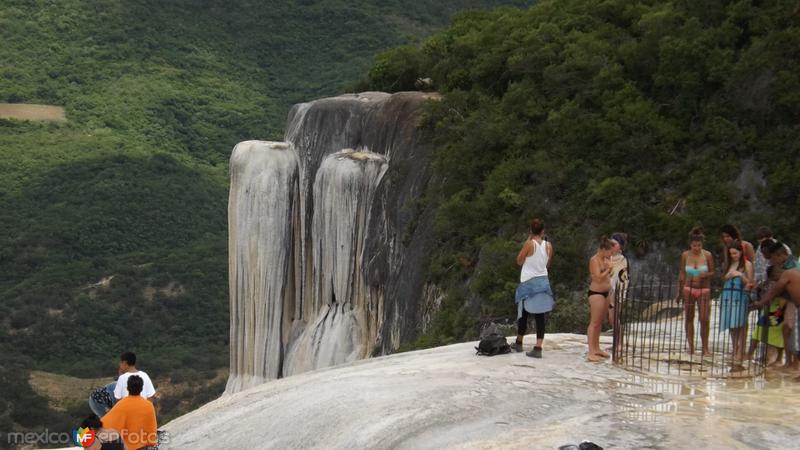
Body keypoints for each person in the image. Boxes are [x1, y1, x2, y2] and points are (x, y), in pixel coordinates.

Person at [753, 241, 799, 373]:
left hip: (792, 302)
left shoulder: (792, 267)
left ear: (780, 256)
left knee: (791, 330)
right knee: (787, 329)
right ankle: (790, 363)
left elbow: (776, 289)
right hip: (791, 301)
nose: (771, 261)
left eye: (772, 258)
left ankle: (795, 366)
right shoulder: (786, 266)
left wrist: (760, 302)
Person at [512, 218, 554, 358]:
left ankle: (519, 342)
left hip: (528, 282)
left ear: (530, 231)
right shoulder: (549, 246)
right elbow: (547, 265)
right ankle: (538, 346)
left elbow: (519, 260)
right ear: (543, 231)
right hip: (542, 282)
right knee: (539, 315)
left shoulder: (529, 244)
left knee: (523, 313)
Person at [677, 228, 715, 356]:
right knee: (689, 317)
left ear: (702, 245)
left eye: (699, 245)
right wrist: (679, 291)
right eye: (694, 245)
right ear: (690, 244)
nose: (696, 248)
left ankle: (705, 348)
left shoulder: (708, 255)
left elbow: (713, 272)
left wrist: (707, 274)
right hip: (688, 288)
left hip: (703, 288)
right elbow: (682, 273)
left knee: (704, 318)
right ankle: (691, 346)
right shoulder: (685, 255)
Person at [719, 240, 754, 369]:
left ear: (741, 252)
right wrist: (728, 275)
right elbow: (722, 279)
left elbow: (750, 283)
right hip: (728, 295)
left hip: (740, 295)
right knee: (731, 324)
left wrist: (740, 275)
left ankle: (741, 351)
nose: (733, 256)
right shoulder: (729, 264)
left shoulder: (747, 264)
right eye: (731, 254)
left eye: (735, 253)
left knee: (740, 324)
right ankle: (734, 348)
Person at [90, 352, 157, 418]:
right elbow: (151, 396)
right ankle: (85, 428)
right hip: (98, 400)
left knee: (98, 423)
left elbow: (119, 400)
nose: (119, 365)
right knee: (102, 424)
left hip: (100, 399)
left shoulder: (123, 378)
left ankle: (84, 428)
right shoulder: (144, 375)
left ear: (124, 363)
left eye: (120, 363)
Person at [102, 375, 158, 450]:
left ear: (127, 388)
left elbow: (105, 423)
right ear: (141, 389)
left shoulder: (121, 405)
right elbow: (152, 427)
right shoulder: (148, 405)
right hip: (144, 446)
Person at [587, 237, 615, 362]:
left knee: (600, 322)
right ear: (604, 250)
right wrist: (608, 268)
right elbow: (598, 278)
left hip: (606, 292)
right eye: (610, 251)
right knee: (594, 322)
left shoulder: (606, 259)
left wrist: (610, 268)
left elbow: (609, 275)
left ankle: (597, 347)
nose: (611, 254)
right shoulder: (594, 260)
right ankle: (591, 350)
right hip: (596, 293)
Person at [607, 232, 630, 355]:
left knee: (614, 317)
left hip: (617, 292)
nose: (611, 245)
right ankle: (616, 342)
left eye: (614, 244)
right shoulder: (609, 258)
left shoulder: (622, 260)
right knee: (611, 318)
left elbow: (622, 278)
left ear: (620, 246)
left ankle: (620, 343)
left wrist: (618, 293)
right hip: (608, 290)